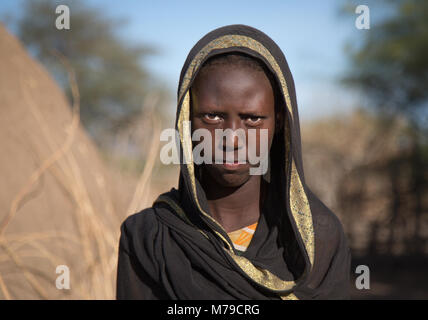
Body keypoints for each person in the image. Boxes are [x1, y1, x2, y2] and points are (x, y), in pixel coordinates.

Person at [116, 24, 351, 300]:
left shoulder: (316, 239)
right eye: (213, 116)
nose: (232, 138)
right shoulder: (150, 238)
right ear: (186, 121)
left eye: (252, 118)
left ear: (279, 123)